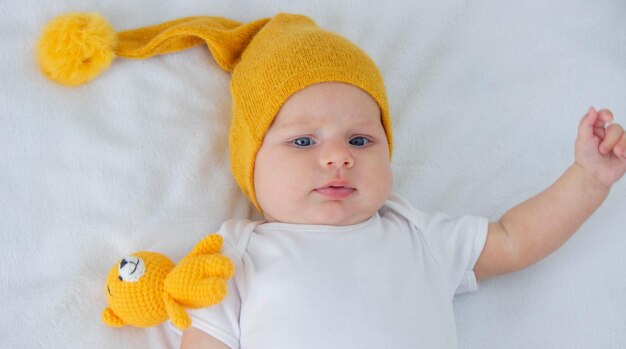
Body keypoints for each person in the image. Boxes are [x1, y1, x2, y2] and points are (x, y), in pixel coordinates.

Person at [37, 12, 626, 349]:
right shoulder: (238, 254)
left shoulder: (415, 233)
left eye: (361, 140)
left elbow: (515, 237)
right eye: (302, 141)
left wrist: (588, 179)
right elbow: (207, 339)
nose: (338, 158)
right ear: (251, 168)